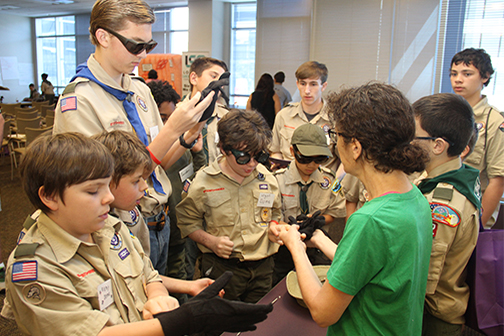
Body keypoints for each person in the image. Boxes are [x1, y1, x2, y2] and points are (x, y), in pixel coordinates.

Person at [3, 132, 272, 336]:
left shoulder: (108, 226)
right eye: (93, 191)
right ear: (50, 196)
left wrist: (156, 296)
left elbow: (146, 274)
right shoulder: (35, 268)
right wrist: (180, 320)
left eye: (107, 186)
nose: (108, 197)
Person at [53, 0, 214, 276]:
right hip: (121, 225)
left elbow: (156, 163)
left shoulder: (139, 90)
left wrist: (186, 136)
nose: (143, 54)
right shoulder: (79, 102)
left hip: (160, 217)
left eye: (148, 46)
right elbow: (104, 185)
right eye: (135, 45)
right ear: (102, 37)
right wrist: (172, 129)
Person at [272, 82, 432, 335]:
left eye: (337, 137)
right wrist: (320, 239)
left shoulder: (370, 220)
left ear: (356, 147)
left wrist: (295, 246)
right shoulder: (415, 199)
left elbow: (323, 312)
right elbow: (370, 265)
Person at [93, 130, 215, 299]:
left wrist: (190, 286)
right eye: (136, 181)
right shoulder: (95, 228)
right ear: (109, 181)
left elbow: (143, 272)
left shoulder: (131, 216)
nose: (144, 187)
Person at [176, 109, 281, 303]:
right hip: (222, 268)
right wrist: (210, 242)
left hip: (263, 268)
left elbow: (275, 212)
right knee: (221, 323)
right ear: (224, 149)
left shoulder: (267, 178)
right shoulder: (203, 183)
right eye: (243, 157)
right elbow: (187, 221)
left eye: (258, 156)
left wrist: (274, 225)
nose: (251, 164)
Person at [412, 93, 481, 335]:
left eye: (414, 135)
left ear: (438, 145)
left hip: (433, 315)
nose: (408, 141)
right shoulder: (452, 176)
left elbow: (425, 278)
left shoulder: (443, 204)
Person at [147, 79, 206, 300]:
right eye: (163, 119)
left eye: (172, 118)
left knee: (185, 278)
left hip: (184, 230)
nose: (169, 124)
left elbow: (197, 177)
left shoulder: (183, 145)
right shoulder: (150, 154)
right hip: (161, 230)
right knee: (159, 284)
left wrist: (198, 151)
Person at [272, 123, 346, 285]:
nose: (311, 165)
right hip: (284, 248)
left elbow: (334, 213)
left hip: (317, 246)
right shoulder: (277, 180)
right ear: (292, 151)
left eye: (319, 159)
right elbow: (272, 218)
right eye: (305, 159)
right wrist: (291, 228)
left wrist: (320, 221)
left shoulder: (329, 180)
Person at [450, 48, 504, 228]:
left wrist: (477, 227)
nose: (458, 79)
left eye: (467, 74)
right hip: (440, 210)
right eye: (453, 73)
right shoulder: (443, 113)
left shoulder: (494, 121)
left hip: (470, 213)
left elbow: (498, 179)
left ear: (485, 77)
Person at [270, 61, 330, 161]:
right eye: (303, 84)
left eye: (313, 84)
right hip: (290, 174)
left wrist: (335, 177)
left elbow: (345, 160)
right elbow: (275, 151)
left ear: (323, 86)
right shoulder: (284, 116)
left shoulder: (334, 119)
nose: (307, 90)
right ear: (297, 84)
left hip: (323, 175)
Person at [186, 56, 229, 164]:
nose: (219, 83)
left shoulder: (227, 118)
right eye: (213, 76)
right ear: (194, 78)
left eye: (222, 80)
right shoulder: (174, 115)